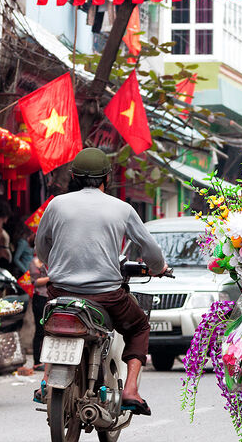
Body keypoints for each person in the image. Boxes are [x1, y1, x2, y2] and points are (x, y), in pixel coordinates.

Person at [35, 148, 167, 415]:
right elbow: (151, 252)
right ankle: (130, 389)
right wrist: (158, 268)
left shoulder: (55, 204)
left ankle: (47, 380)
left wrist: (57, 265)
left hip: (60, 291)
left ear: (73, 176)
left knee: (52, 326)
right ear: (107, 177)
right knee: (139, 326)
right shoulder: (122, 208)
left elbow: (41, 247)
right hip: (106, 296)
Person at [29, 256, 49, 371]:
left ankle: (45, 360)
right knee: (40, 330)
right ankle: (36, 362)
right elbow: (35, 282)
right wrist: (51, 278)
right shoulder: (35, 262)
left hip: (49, 298)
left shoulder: (51, 259)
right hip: (40, 298)